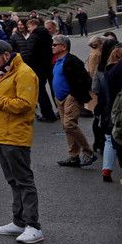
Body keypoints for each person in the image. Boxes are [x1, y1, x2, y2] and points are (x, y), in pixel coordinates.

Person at [0, 39, 44, 244]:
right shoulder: (2, 70)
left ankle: (33, 226)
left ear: (6, 55)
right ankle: (19, 221)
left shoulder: (24, 73)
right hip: (2, 134)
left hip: (16, 135)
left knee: (24, 181)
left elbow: (25, 104)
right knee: (13, 181)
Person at [51, 35, 96, 167]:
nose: (52, 46)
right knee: (67, 127)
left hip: (71, 97)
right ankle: (73, 156)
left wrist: (74, 94)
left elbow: (85, 80)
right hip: (60, 98)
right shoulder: (56, 60)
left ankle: (88, 151)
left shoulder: (72, 61)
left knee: (69, 124)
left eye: (55, 44)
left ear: (63, 47)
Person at [95, 47, 122, 182]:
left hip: (108, 112)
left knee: (110, 140)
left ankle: (106, 170)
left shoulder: (106, 73)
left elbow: (100, 94)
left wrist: (98, 111)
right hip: (117, 111)